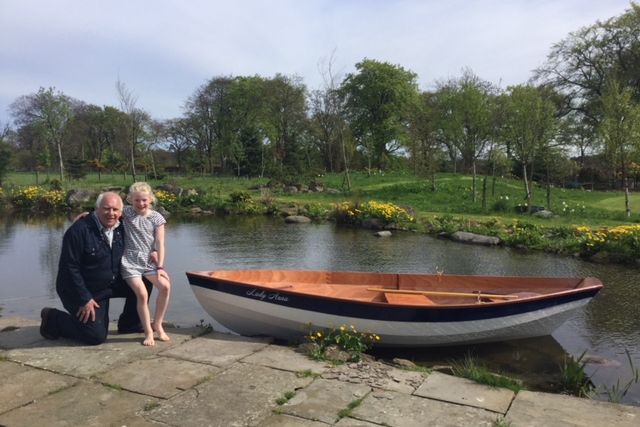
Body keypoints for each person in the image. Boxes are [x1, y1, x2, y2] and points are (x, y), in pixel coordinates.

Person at [40, 192, 167, 345]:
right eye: (106, 209)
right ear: (97, 209)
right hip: (84, 289)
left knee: (146, 278)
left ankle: (130, 323)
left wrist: (153, 251)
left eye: (115, 210)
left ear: (122, 212)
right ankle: (53, 319)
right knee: (95, 336)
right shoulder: (79, 231)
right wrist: (84, 298)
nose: (111, 214)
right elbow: (69, 268)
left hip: (110, 282)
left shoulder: (123, 226)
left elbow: (144, 237)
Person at [121, 182, 171, 346]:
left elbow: (160, 243)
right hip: (130, 261)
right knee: (142, 294)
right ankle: (148, 332)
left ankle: (157, 323)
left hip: (149, 261)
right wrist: (86, 215)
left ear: (150, 199)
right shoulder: (126, 212)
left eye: (144, 200)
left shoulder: (156, 217)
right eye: (137, 200)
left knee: (165, 286)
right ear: (130, 200)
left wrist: (160, 267)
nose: (141, 204)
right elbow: (107, 212)